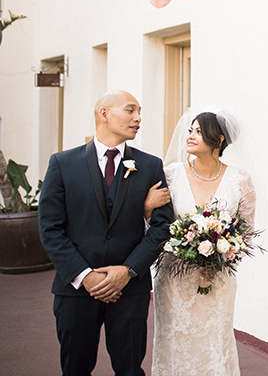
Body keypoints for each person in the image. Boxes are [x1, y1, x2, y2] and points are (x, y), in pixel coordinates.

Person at [38, 90, 175, 376]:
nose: (138, 118)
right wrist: (85, 276)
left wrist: (127, 271)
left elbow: (162, 226)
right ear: (104, 114)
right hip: (75, 290)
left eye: (140, 112)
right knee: (75, 368)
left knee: (130, 369)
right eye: (130, 110)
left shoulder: (150, 166)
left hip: (130, 290)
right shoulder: (62, 164)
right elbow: (50, 228)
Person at [144, 108, 257, 376]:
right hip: (174, 279)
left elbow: (246, 233)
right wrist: (147, 208)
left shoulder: (240, 181)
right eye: (190, 130)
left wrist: (220, 257)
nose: (191, 136)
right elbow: (154, 225)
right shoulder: (170, 175)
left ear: (218, 140)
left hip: (218, 279)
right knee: (175, 341)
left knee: (215, 341)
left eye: (199, 131)